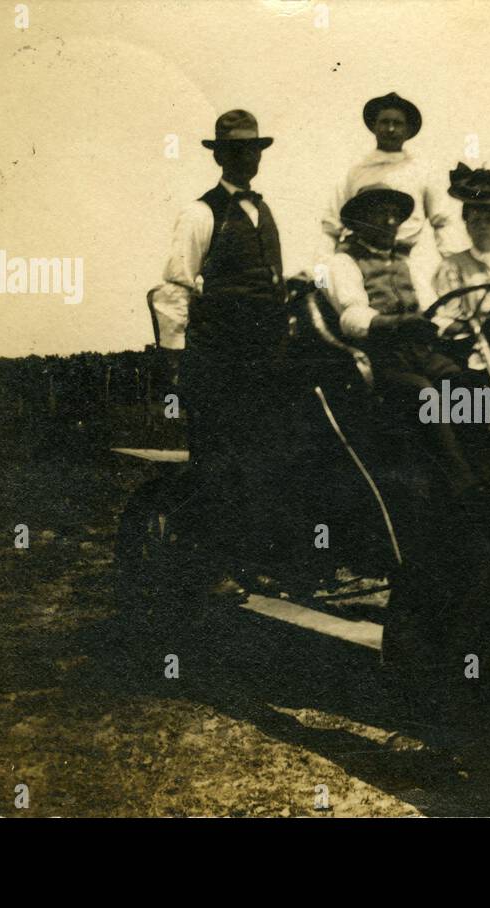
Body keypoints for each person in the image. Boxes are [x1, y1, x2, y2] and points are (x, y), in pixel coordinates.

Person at [149, 109, 285, 591]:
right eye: (234, 150)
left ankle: (252, 563)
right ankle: (208, 569)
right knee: (217, 463)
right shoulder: (201, 212)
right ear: (220, 156)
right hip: (217, 361)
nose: (245, 158)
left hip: (263, 360)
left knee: (264, 459)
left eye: (252, 149)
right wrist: (177, 361)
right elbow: (175, 287)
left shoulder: (263, 212)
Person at [321, 185, 484, 498]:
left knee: (467, 383)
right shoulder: (342, 263)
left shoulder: (406, 264)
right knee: (423, 393)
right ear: (359, 222)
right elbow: (353, 318)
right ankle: (462, 485)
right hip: (379, 359)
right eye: (381, 214)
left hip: (420, 353)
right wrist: (398, 324)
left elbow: (431, 309)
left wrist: (452, 326)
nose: (391, 221)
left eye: (395, 214)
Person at [322, 92, 459, 304]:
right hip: (360, 258)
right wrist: (320, 278)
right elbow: (330, 228)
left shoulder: (421, 170)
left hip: (407, 258)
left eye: (398, 123)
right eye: (385, 122)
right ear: (374, 126)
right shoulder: (355, 171)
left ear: (408, 130)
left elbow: (443, 222)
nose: (391, 129)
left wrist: (454, 265)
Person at [432, 163, 490, 300]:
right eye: (476, 221)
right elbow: (448, 312)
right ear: (467, 226)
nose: (483, 226)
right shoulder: (451, 266)